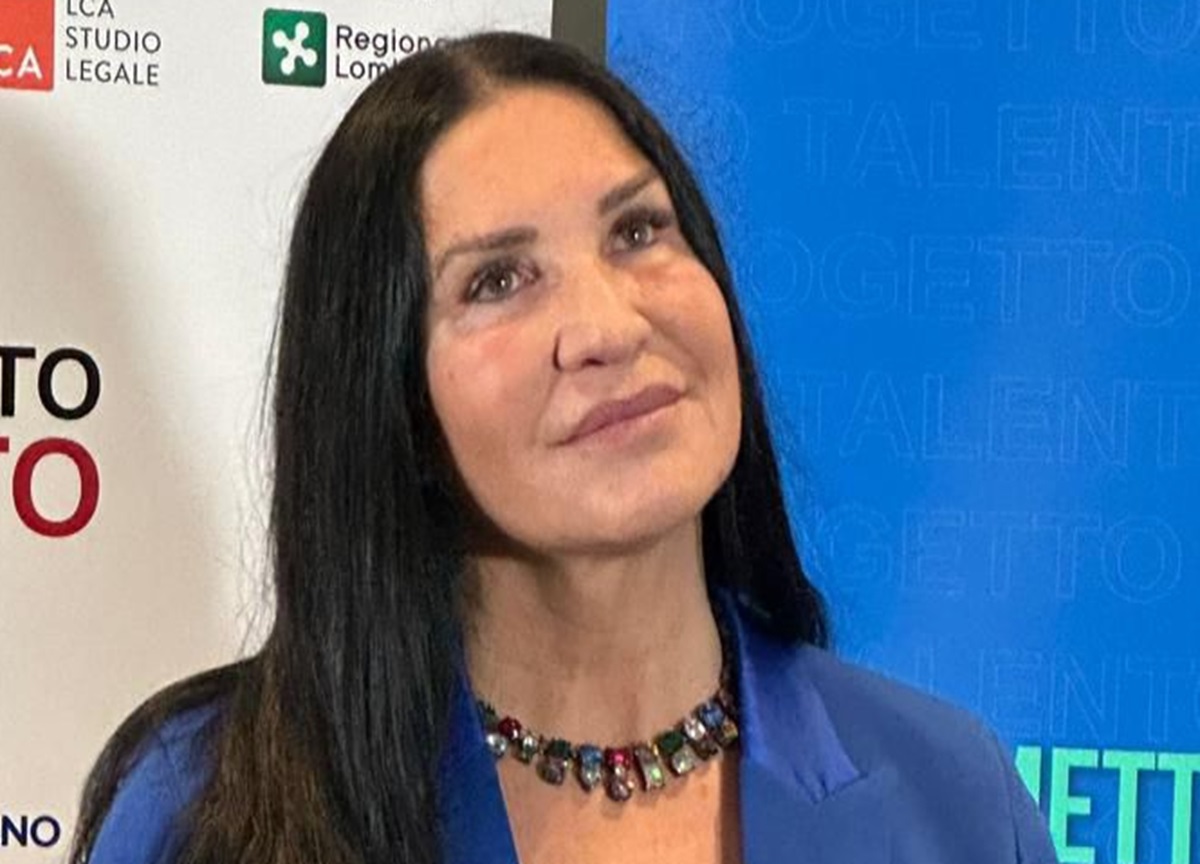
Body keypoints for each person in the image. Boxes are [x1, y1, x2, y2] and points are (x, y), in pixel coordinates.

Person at [70, 31, 1060, 864]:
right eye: (497, 280)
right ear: (393, 399)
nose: (609, 326)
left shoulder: (953, 800)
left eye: (638, 232)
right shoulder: (206, 805)